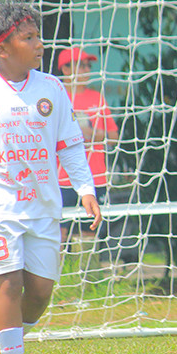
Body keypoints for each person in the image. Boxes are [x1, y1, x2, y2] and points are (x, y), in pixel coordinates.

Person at [0, 0, 101, 354]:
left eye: (38, 36)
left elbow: (70, 145)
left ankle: (1, 339)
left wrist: (85, 189)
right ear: (0, 48)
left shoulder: (51, 89)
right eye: (28, 38)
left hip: (44, 207)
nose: (39, 44)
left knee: (41, 292)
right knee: (8, 283)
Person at [56, 46, 118, 240]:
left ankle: (89, 270)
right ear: (65, 70)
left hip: (95, 176)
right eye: (80, 66)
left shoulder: (96, 97)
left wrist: (90, 134)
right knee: (59, 232)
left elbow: (113, 136)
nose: (86, 71)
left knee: (88, 232)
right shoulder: (55, 97)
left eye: (87, 66)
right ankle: (57, 270)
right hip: (61, 178)